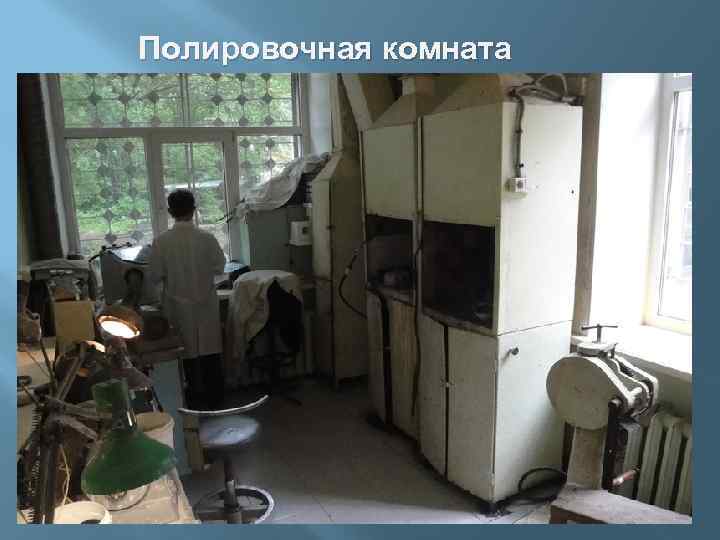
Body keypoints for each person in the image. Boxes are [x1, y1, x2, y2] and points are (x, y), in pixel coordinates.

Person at [148, 189, 226, 410]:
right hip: (206, 305)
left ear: (170, 211)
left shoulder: (161, 242)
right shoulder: (207, 238)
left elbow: (154, 275)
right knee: (211, 355)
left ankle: (191, 405)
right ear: (194, 210)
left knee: (184, 359)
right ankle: (216, 403)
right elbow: (220, 267)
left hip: (177, 306)